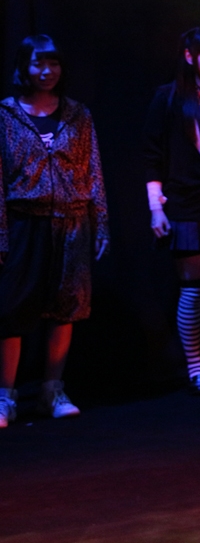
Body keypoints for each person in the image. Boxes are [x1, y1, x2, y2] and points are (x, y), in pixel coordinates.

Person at [0, 35, 109, 427]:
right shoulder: (6, 114)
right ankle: (6, 396)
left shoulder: (77, 114)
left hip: (72, 220)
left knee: (66, 307)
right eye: (38, 63)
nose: (46, 71)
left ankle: (52, 391)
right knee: (12, 310)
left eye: (53, 63)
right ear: (24, 67)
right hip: (24, 219)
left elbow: (93, 169)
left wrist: (101, 223)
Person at [143, 27, 200, 395]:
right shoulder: (169, 97)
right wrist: (155, 208)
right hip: (185, 203)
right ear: (190, 56)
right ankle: (195, 366)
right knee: (194, 287)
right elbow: (152, 155)